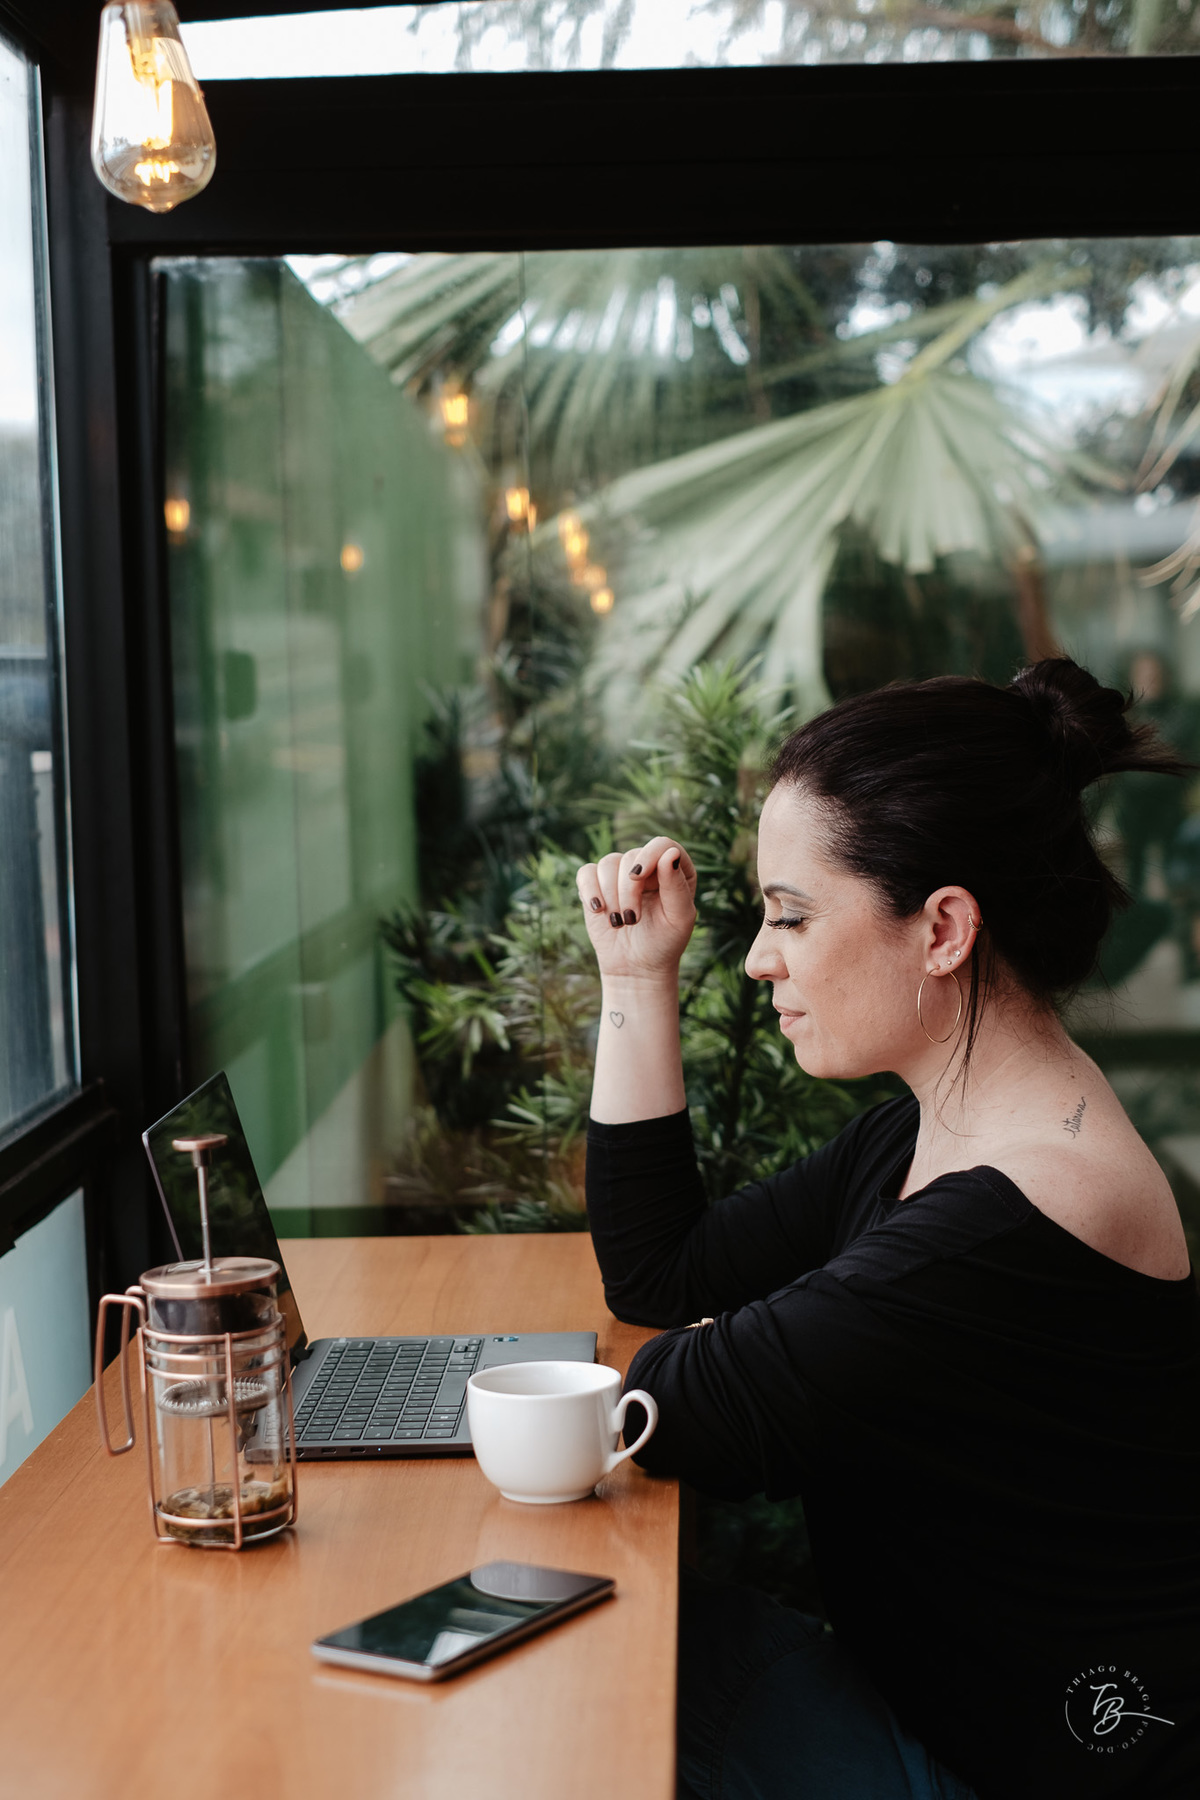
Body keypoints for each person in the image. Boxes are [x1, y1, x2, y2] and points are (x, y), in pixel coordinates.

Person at [576, 658, 1200, 1800]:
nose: (761, 954)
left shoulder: (1033, 1204)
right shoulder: (927, 1136)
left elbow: (672, 1408)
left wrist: (733, 1344)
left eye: (793, 916)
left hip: (1026, 1772)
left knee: (589, 1682)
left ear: (944, 929)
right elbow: (662, 1275)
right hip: (929, 1708)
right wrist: (634, 976)